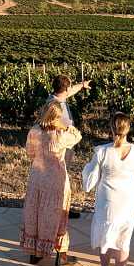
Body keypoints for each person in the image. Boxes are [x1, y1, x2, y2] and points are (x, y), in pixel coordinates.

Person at [82, 113, 134, 266]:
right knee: (124, 238)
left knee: (106, 234)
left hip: (108, 200)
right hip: (129, 199)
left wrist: (86, 173)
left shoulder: (102, 152)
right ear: (128, 129)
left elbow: (91, 177)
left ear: (111, 129)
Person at [20, 100, 83, 266]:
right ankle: (61, 257)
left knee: (36, 213)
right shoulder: (60, 136)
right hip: (56, 180)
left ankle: (35, 253)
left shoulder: (34, 131)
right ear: (57, 117)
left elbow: (29, 153)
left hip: (36, 178)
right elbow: (78, 135)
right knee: (58, 216)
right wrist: (66, 125)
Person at [49, 74, 91, 218]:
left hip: (66, 144)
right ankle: (59, 210)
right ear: (64, 89)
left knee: (63, 177)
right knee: (60, 178)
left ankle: (62, 208)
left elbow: (71, 90)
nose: (70, 90)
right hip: (60, 146)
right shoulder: (53, 105)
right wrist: (69, 131)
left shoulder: (58, 98)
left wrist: (81, 85)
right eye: (69, 88)